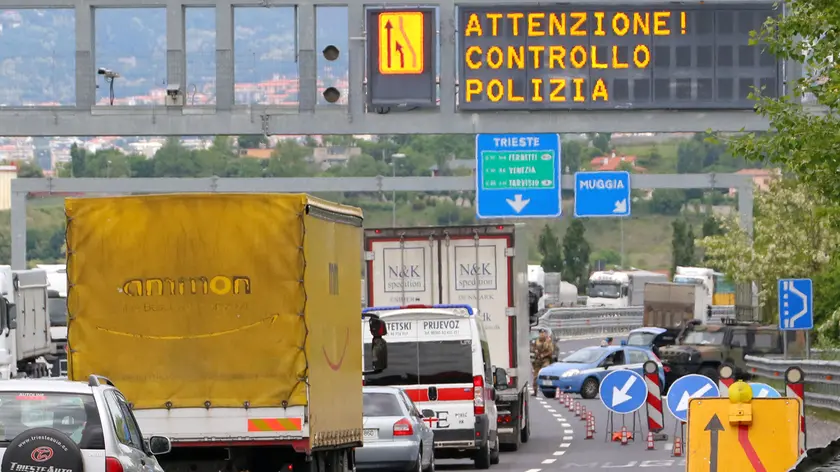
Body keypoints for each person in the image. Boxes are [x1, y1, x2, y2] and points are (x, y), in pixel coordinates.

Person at [531, 328, 555, 396]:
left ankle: (549, 390)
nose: (542, 334)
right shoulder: (536, 341)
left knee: (545, 373)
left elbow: (551, 351)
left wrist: (544, 355)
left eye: (543, 333)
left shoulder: (548, 341)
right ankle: (535, 391)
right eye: (541, 333)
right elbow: (533, 350)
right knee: (535, 376)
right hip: (537, 361)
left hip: (545, 360)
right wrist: (535, 353)